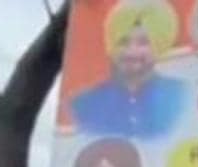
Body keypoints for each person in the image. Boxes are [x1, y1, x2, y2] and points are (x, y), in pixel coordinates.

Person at [71, 0, 187, 139]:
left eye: (143, 43)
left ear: (159, 45)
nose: (132, 51)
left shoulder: (180, 96)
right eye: (123, 42)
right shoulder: (84, 103)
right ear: (111, 46)